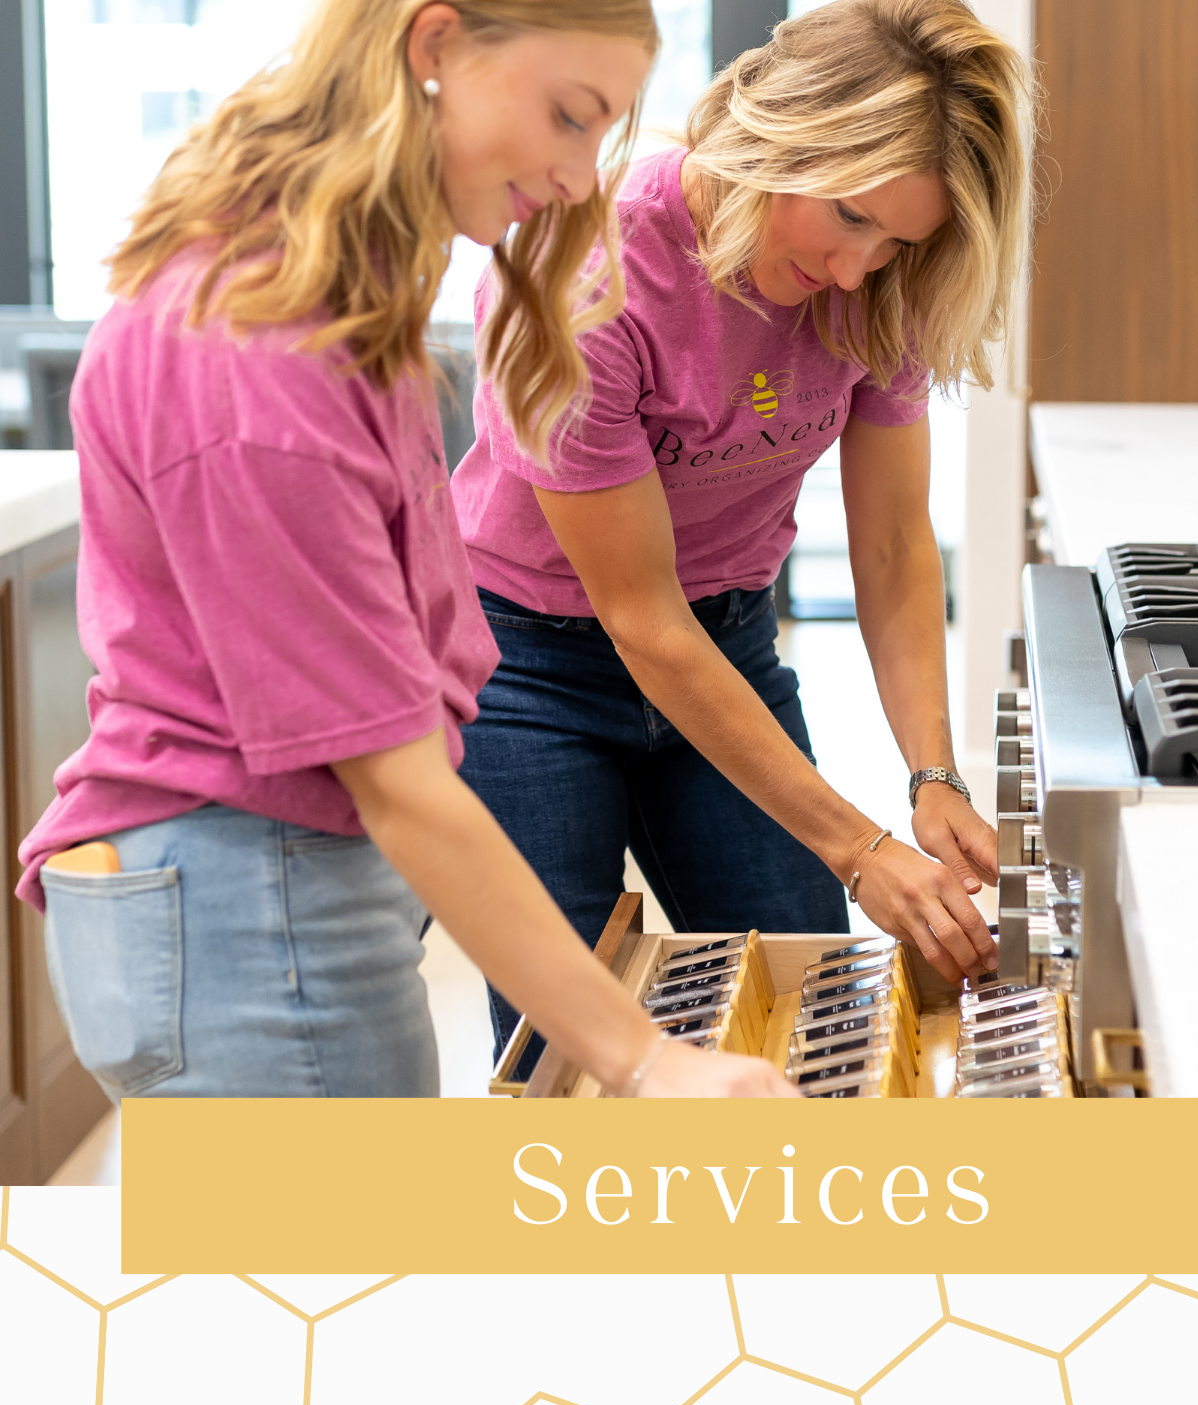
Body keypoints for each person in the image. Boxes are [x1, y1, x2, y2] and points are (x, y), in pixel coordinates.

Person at [18, 0, 795, 1102]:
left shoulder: (318, 300)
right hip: (251, 906)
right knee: (341, 1275)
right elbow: (395, 780)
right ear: (434, 48)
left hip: (266, 890)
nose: (582, 180)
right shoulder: (260, 356)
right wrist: (645, 1058)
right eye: (570, 117)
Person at [453, 0, 1031, 1072]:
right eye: (851, 219)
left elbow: (897, 550)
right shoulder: (588, 280)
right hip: (523, 663)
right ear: (774, 136)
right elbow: (639, 618)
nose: (861, 270)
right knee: (568, 1049)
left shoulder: (881, 289)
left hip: (725, 638)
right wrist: (862, 850)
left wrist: (932, 779)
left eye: (901, 240)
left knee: (820, 1011)